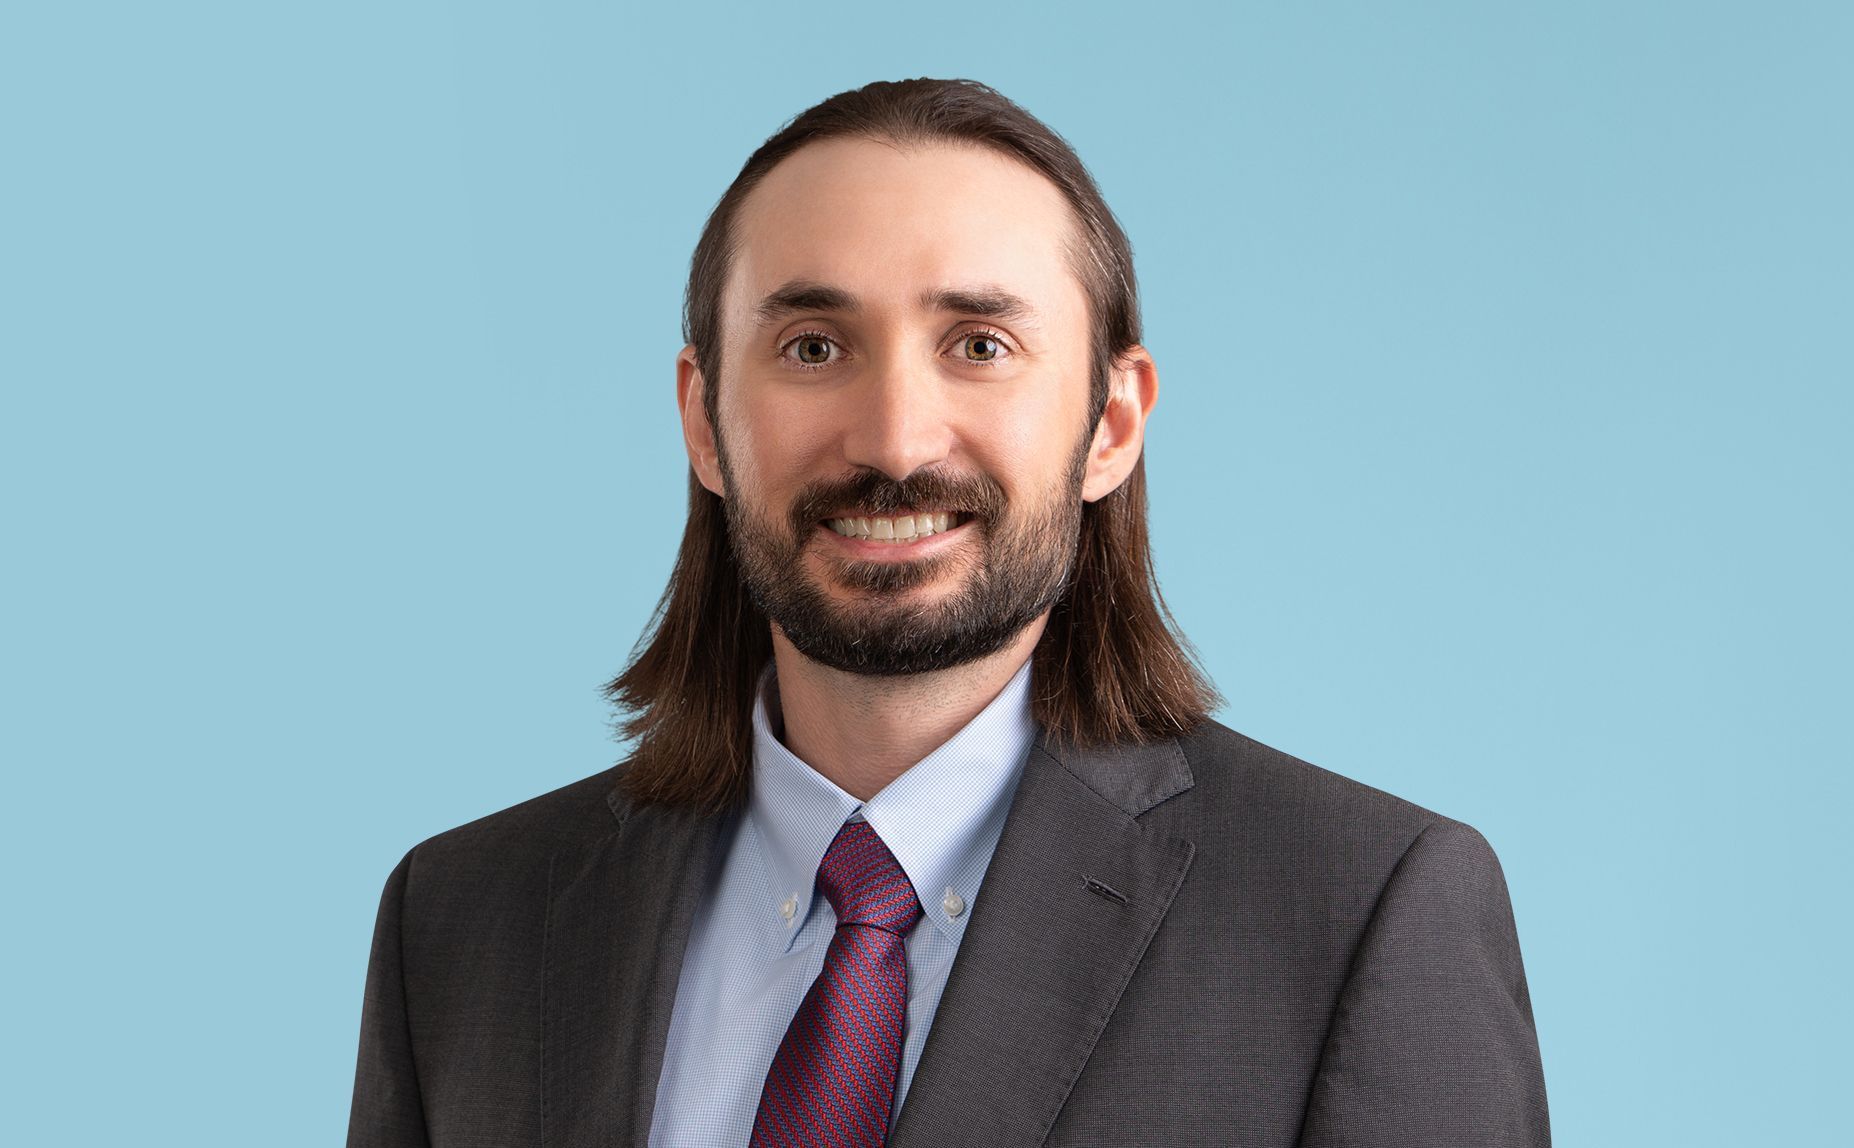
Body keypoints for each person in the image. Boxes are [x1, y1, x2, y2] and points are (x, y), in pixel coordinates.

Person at [347, 77, 1550, 1148]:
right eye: (813, 347)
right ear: (703, 420)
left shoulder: (1359, 913)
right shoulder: (459, 922)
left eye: (979, 344)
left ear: (1111, 422)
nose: (894, 441)